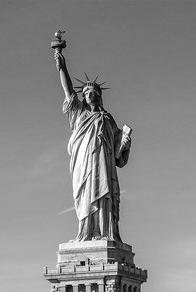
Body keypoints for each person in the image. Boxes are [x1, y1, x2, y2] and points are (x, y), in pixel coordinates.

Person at [54, 47, 132, 242]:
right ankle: (86, 232)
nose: (89, 95)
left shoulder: (107, 118)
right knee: (85, 196)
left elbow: (117, 155)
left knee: (104, 194)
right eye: (86, 92)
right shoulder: (79, 113)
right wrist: (62, 67)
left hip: (103, 164)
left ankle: (105, 233)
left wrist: (124, 142)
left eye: (93, 92)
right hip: (83, 163)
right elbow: (68, 90)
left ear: (99, 95)